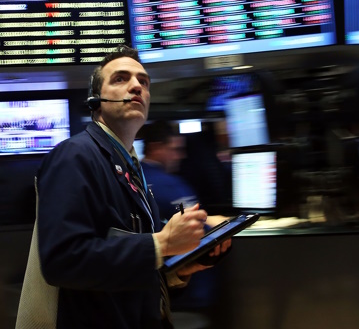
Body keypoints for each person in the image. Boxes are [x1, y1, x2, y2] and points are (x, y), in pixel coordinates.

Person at [15, 45, 230, 329]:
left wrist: (176, 269)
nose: (137, 86)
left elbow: (123, 272)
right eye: (120, 78)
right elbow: (63, 261)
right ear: (96, 100)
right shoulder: (75, 156)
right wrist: (162, 244)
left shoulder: (130, 166)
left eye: (144, 81)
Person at [140, 120, 224, 228]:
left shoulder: (134, 176)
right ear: (155, 148)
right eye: (175, 149)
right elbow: (194, 225)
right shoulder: (168, 184)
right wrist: (220, 225)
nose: (180, 156)